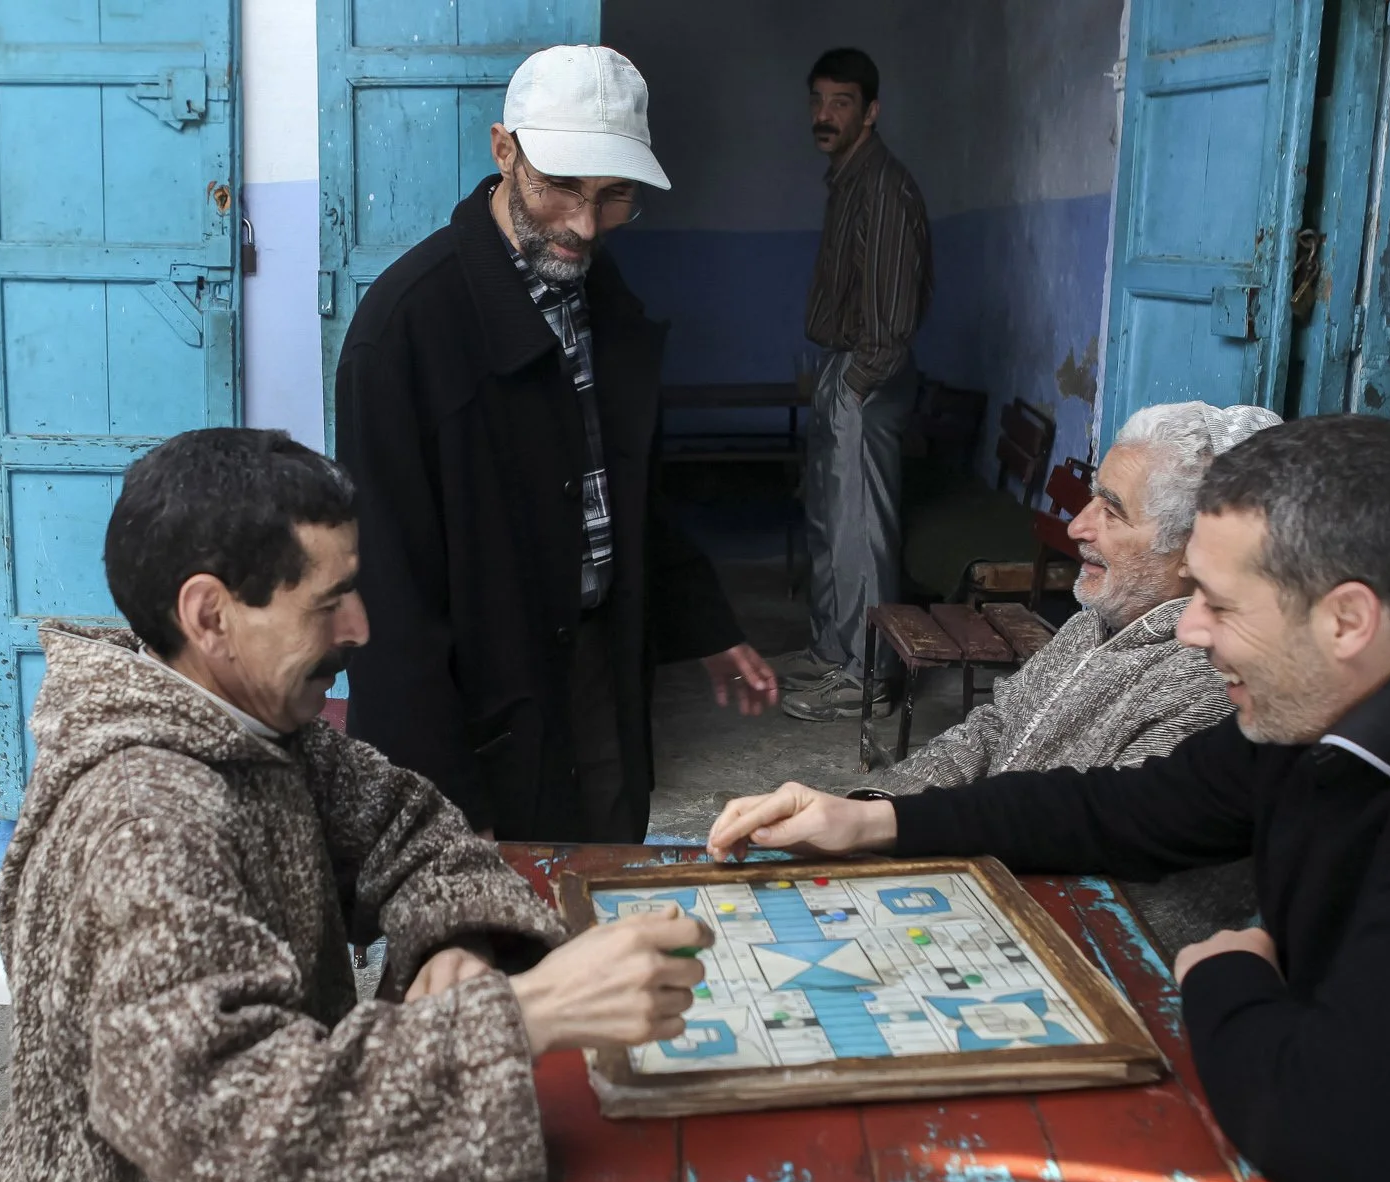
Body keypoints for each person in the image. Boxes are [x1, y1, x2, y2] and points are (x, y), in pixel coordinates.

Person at [708, 415, 1390, 1182]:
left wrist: (1226, 972)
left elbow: (1325, 1126)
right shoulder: (1325, 705)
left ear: (1346, 617)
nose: (1194, 632)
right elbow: (1118, 809)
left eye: (1218, 602)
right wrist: (872, 819)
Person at [0, 428, 712, 1182]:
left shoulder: (255, 730)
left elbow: (414, 825)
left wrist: (456, 937)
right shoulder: (143, 818)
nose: (361, 627)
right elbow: (221, 1125)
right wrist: (530, 1014)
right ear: (211, 617)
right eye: (329, 601)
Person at [335, 44, 777, 845]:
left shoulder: (603, 298)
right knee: (488, 930)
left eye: (614, 198)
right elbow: (390, 604)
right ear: (504, 151)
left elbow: (631, 491)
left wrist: (704, 621)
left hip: (596, 665)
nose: (583, 224)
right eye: (561, 187)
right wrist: (424, 817)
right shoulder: (406, 330)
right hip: (475, 695)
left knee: (601, 889)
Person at [863, 402, 1280, 797]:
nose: (1076, 527)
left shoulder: (1200, 688)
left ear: (1195, 548)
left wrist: (901, 829)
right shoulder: (1093, 622)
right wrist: (881, 801)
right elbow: (995, 725)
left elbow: (1089, 842)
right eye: (1091, 498)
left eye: (1112, 512)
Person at [779, 48, 933, 723]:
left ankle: (868, 677)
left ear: (870, 112)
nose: (824, 114)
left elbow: (892, 326)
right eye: (818, 100)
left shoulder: (884, 186)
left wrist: (852, 386)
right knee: (830, 524)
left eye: (841, 102)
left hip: (870, 377)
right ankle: (833, 650)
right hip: (844, 369)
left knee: (861, 533)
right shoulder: (847, 179)